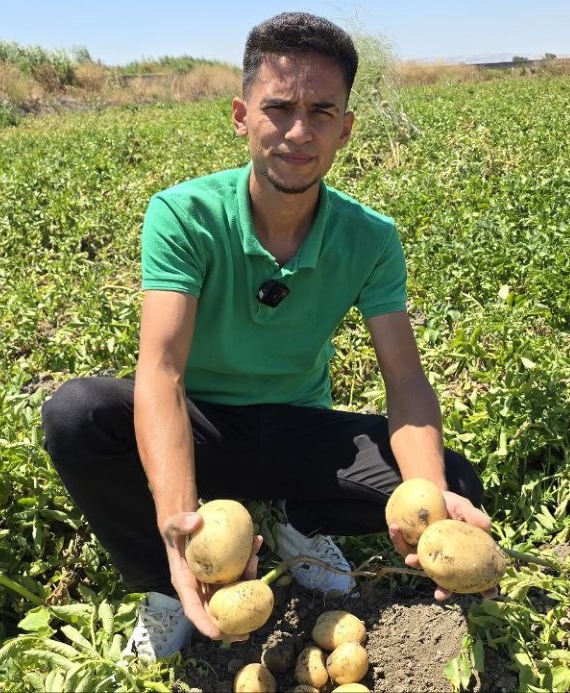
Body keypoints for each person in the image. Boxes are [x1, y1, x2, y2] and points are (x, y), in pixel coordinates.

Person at [41, 11, 491, 661]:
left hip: (296, 429)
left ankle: (299, 522)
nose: (299, 132)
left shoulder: (370, 237)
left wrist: (426, 505)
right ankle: (167, 583)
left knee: (453, 476)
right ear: (241, 116)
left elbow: (405, 377)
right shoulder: (184, 215)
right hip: (204, 428)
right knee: (77, 414)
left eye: (322, 111)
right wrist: (177, 516)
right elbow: (161, 372)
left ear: (346, 129)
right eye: (278, 107)